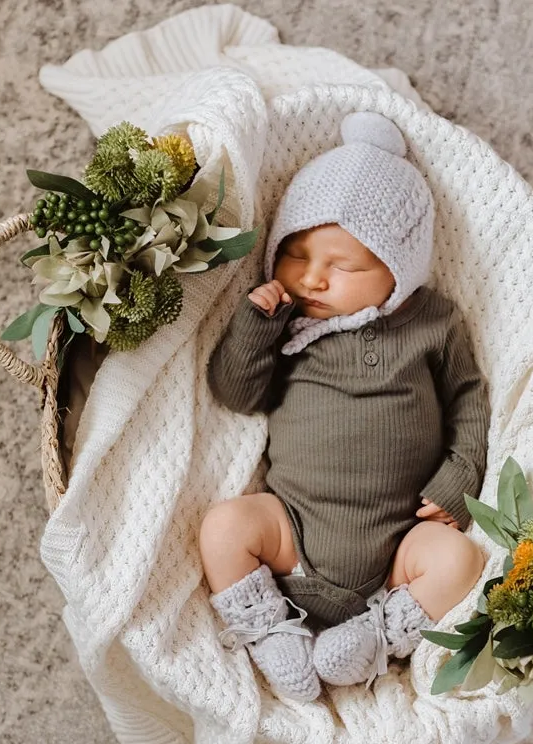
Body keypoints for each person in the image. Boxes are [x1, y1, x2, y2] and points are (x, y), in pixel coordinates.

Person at [202, 111, 490, 702]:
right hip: (292, 535)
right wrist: (256, 327)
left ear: (397, 270)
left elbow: (468, 398)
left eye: (344, 266)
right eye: (296, 255)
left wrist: (460, 476)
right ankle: (268, 631)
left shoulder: (432, 321)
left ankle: (378, 635)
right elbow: (235, 392)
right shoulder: (286, 323)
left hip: (397, 554)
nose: (312, 280)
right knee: (226, 524)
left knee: (458, 558)